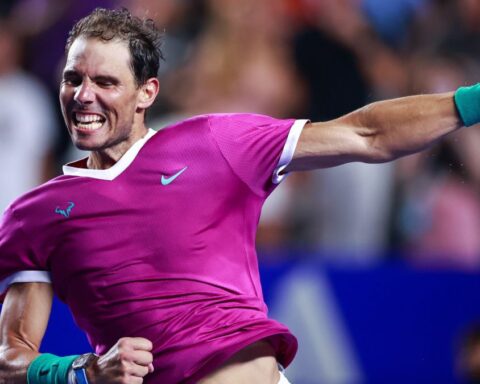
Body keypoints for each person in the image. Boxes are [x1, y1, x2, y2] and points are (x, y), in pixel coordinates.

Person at [0, 7, 476, 384]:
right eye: (72, 78)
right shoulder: (36, 214)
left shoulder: (216, 143)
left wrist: (471, 102)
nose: (83, 95)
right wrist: (82, 372)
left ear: (146, 93)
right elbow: (11, 356)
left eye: (105, 82)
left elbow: (365, 134)